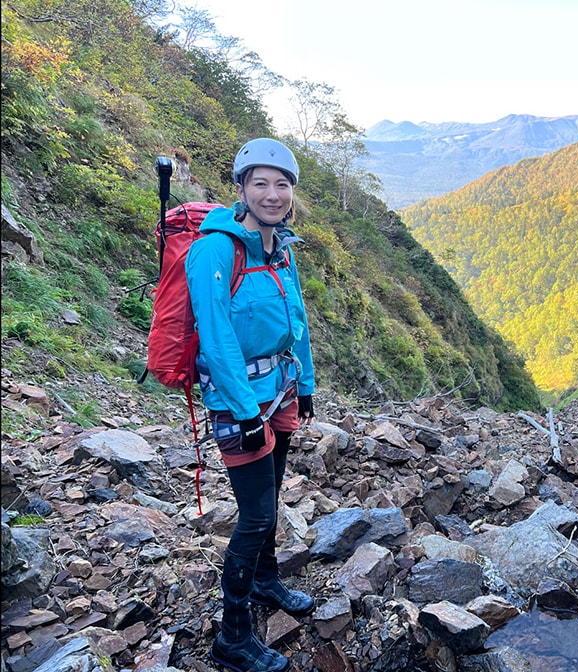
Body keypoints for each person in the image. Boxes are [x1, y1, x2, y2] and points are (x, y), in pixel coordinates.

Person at [185, 137, 316, 672]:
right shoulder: (215, 249)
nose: (272, 193)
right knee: (257, 512)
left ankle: (265, 581)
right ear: (240, 188)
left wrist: (304, 383)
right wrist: (242, 409)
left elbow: (298, 319)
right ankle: (233, 637)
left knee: (273, 493)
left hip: (280, 388)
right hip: (239, 401)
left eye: (282, 184)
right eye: (259, 182)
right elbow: (215, 338)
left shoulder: (280, 246)